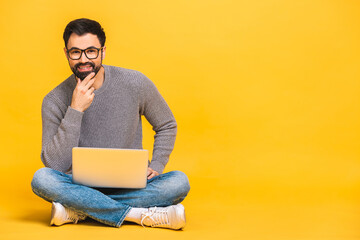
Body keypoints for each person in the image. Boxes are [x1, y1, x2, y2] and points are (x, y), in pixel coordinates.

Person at [31, 18, 190, 230]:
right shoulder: (54, 100)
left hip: (130, 186)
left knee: (179, 182)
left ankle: (80, 210)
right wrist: (75, 110)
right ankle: (138, 215)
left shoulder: (135, 82)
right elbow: (54, 166)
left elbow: (167, 124)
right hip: (79, 186)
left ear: (103, 51)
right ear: (66, 54)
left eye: (91, 51)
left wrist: (158, 165)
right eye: (75, 52)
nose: (83, 59)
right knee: (42, 179)